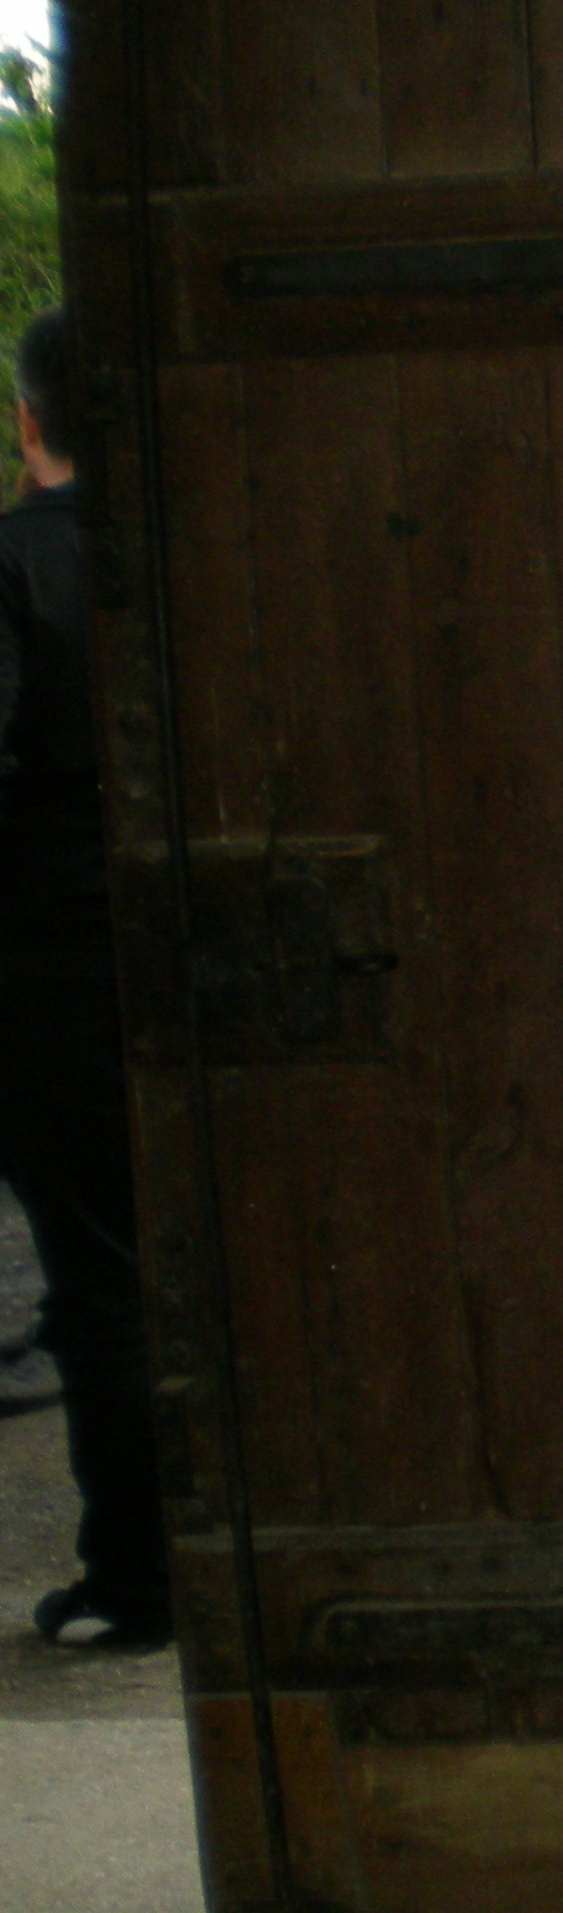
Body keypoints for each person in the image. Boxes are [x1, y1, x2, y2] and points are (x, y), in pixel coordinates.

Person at [0, 308, 171, 1651]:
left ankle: (136, 1573)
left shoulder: (17, 564)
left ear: (30, 418)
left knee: (101, 1277)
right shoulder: (186, 550)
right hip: (182, 939)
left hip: (51, 959)